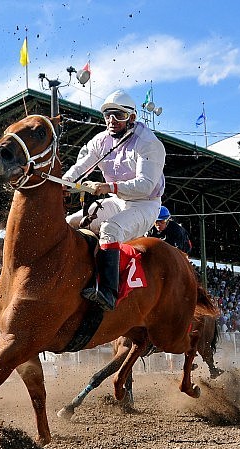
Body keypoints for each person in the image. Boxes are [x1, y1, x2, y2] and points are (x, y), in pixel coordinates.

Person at [62, 89, 166, 311]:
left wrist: (107, 187)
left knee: (110, 228)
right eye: (108, 114)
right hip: (117, 199)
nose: (111, 120)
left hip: (145, 204)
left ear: (132, 118)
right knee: (71, 222)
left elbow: (146, 184)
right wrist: (65, 181)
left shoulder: (149, 143)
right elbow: (81, 167)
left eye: (118, 115)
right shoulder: (100, 141)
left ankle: (108, 292)